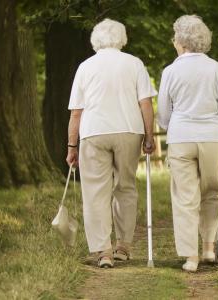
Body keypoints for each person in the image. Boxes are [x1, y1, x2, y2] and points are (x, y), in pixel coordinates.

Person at [67, 19, 156, 268]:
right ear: (122, 38)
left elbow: (76, 112)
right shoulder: (134, 63)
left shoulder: (85, 66)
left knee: (95, 192)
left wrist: (71, 146)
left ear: (95, 40)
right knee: (126, 187)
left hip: (94, 132)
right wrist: (149, 136)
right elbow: (145, 104)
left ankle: (103, 251)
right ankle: (123, 246)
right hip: (129, 130)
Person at [158, 15, 218, 272]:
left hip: (182, 137)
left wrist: (170, 126)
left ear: (182, 42)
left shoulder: (170, 71)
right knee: (211, 192)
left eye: (175, 37)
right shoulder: (217, 68)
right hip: (213, 138)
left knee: (185, 197)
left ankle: (190, 257)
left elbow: (163, 114)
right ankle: (208, 247)